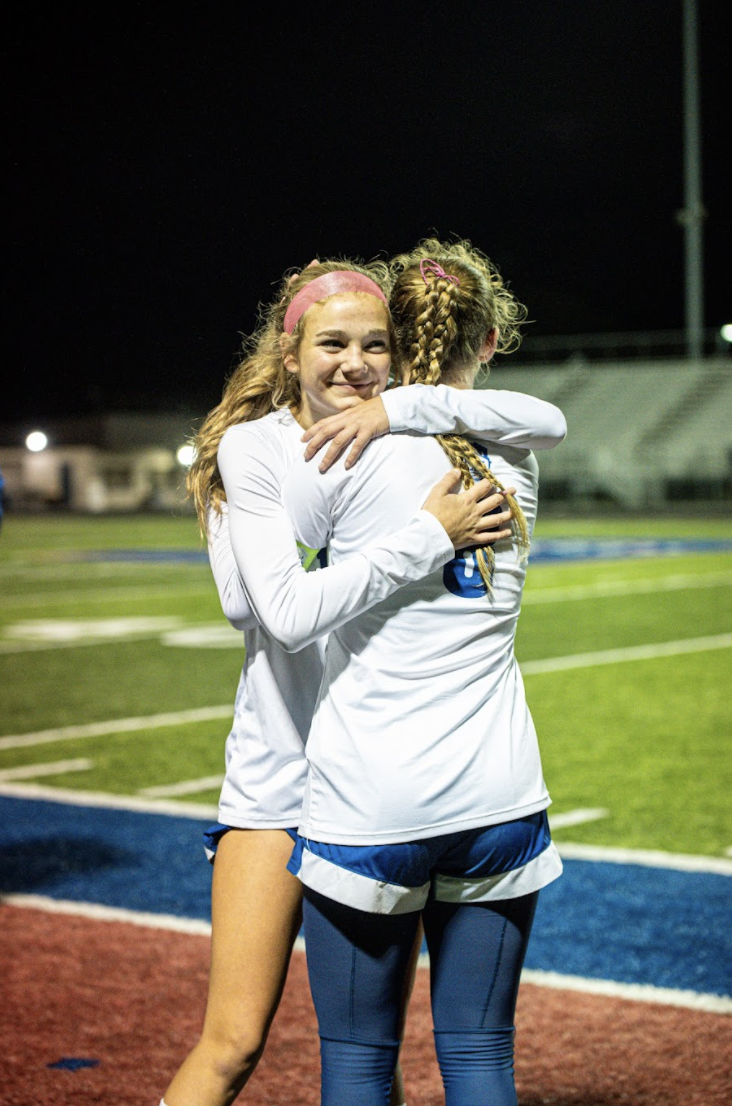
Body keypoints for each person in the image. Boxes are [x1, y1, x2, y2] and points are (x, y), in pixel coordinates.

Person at [160, 256, 550, 1106]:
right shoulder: (257, 449)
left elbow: (541, 418)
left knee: (374, 1055)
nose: (355, 362)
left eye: (377, 344)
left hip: (374, 782)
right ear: (291, 350)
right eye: (332, 343)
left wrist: (401, 427)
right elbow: (252, 605)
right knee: (233, 1042)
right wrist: (422, 534)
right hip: (282, 774)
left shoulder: (404, 439)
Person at [277, 238, 566, 1105]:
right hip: (500, 796)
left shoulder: (338, 451)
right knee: (481, 1058)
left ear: (392, 340)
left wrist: (382, 401)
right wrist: (418, 403)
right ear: (490, 340)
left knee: (360, 1064)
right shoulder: (514, 449)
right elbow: (544, 415)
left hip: (372, 802)